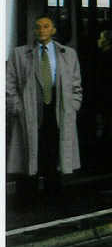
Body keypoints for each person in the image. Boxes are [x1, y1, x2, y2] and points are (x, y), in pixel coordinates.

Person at [6, 15, 83, 198]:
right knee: (29, 151)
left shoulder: (68, 54)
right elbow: (9, 83)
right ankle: (27, 195)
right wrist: (16, 107)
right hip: (29, 109)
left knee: (53, 149)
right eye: (38, 27)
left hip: (57, 109)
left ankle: (53, 193)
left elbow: (76, 85)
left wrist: (73, 106)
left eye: (46, 26)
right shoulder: (19, 54)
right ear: (34, 30)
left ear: (53, 30)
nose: (41, 30)